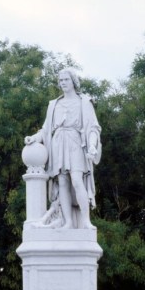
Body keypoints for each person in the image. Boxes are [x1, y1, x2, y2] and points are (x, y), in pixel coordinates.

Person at [25, 68, 101, 229]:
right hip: (58, 143)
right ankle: (68, 222)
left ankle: (86, 221)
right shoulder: (54, 104)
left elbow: (93, 128)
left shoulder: (84, 102)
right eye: (60, 81)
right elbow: (46, 130)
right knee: (63, 182)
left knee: (77, 180)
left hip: (75, 142)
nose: (63, 83)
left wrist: (92, 145)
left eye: (66, 79)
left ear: (73, 81)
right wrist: (34, 138)